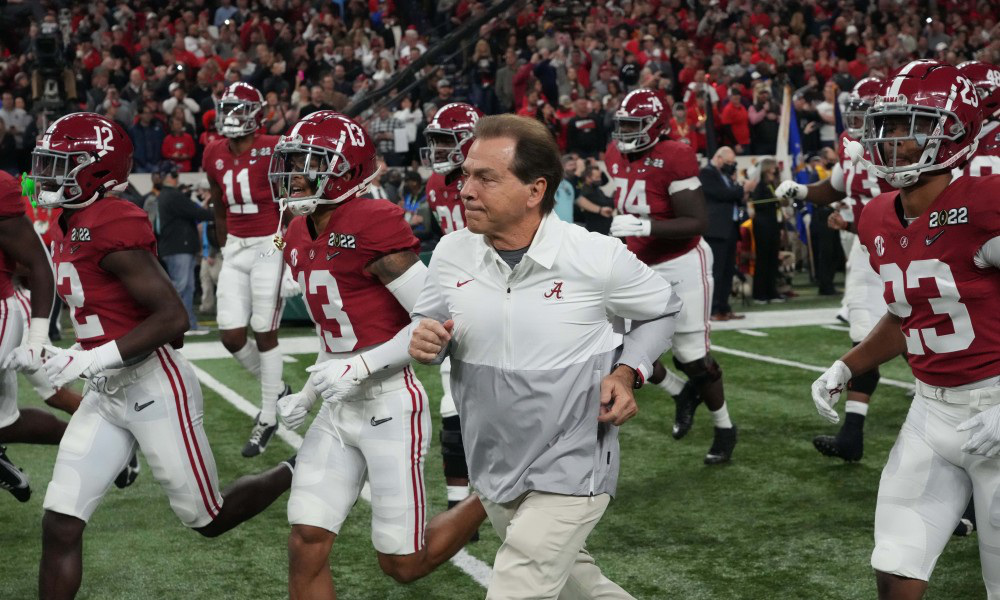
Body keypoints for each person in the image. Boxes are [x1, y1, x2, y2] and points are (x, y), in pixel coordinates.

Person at [409, 113, 680, 599]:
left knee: (516, 587)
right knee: (582, 587)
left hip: (572, 462)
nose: (465, 189)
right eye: (466, 174)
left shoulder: (595, 255)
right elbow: (428, 323)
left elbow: (663, 310)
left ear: (535, 190)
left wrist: (627, 370)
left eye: (485, 177)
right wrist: (425, 340)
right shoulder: (451, 252)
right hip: (492, 460)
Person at [30, 113, 293, 599]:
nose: (47, 175)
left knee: (206, 519)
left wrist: (88, 360)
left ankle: (295, 470)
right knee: (60, 524)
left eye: (60, 165)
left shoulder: (110, 218)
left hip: (153, 385)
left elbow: (173, 317)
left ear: (96, 171)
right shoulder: (73, 216)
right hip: (105, 393)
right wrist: (71, 353)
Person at [267, 111, 485, 599]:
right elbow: (334, 338)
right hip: (337, 408)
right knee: (306, 539)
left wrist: (362, 364)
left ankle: (494, 495)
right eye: (294, 160)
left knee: (402, 564)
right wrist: (307, 393)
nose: (295, 172)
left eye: (309, 162)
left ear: (345, 170)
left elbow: (434, 320)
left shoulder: (371, 221)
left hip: (389, 406)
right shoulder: (299, 231)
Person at [810, 60, 998, 599]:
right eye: (887, 125)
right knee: (895, 569)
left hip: (995, 402)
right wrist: (848, 365)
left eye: (909, 126)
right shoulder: (876, 216)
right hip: (930, 411)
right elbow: (909, 311)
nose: (893, 140)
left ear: (956, 130)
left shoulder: (986, 202)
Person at [607, 88, 738, 464]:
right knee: (624, 349)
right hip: (637, 263)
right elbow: (628, 196)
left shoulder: (676, 155)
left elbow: (697, 221)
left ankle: (725, 427)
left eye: (636, 125)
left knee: (692, 356)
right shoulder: (615, 153)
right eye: (624, 125)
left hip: (681, 262)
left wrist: (645, 226)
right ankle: (680, 392)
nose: (627, 133)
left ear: (657, 126)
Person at [777, 77, 894, 462]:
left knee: (922, 330)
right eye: (855, 111)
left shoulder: (902, 144)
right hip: (866, 250)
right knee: (866, 338)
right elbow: (839, 187)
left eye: (867, 112)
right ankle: (852, 433)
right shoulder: (851, 146)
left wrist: (854, 223)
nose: (860, 120)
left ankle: (955, 399)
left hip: (904, 246)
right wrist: (802, 191)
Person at [203, 82, 290, 458]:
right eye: (228, 109)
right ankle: (279, 390)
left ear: (258, 115)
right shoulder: (212, 152)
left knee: (263, 328)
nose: (232, 117)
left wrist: (288, 253)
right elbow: (219, 205)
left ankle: (268, 414)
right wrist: (223, 246)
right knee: (231, 335)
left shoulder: (275, 148)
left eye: (241, 110)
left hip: (271, 241)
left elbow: (294, 203)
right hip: (236, 247)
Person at [420, 102, 481, 522]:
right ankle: (459, 502)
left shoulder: (492, 177)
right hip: (460, 294)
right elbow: (435, 235)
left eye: (447, 139)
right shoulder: (435, 184)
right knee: (451, 404)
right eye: (436, 140)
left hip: (502, 290)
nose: (440, 149)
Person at [156, 169, 214, 334]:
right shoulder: (173, 196)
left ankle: (188, 324)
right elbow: (197, 213)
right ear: (170, 178)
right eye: (174, 176)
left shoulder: (166, 196)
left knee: (186, 287)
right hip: (178, 247)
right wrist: (218, 213)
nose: (176, 178)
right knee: (181, 287)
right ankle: (175, 325)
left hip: (177, 247)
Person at [700, 146, 753, 320]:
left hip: (730, 227)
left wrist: (741, 192)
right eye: (729, 162)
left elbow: (734, 197)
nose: (731, 165)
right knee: (716, 271)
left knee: (728, 270)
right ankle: (714, 309)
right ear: (719, 158)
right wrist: (742, 189)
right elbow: (721, 194)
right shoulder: (707, 173)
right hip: (716, 229)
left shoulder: (725, 176)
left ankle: (724, 306)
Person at [749, 158, 783, 303]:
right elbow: (757, 205)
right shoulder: (760, 186)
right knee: (763, 259)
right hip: (763, 226)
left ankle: (772, 291)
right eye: (773, 168)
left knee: (773, 259)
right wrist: (775, 201)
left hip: (773, 225)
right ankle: (759, 293)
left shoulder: (772, 186)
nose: (775, 171)